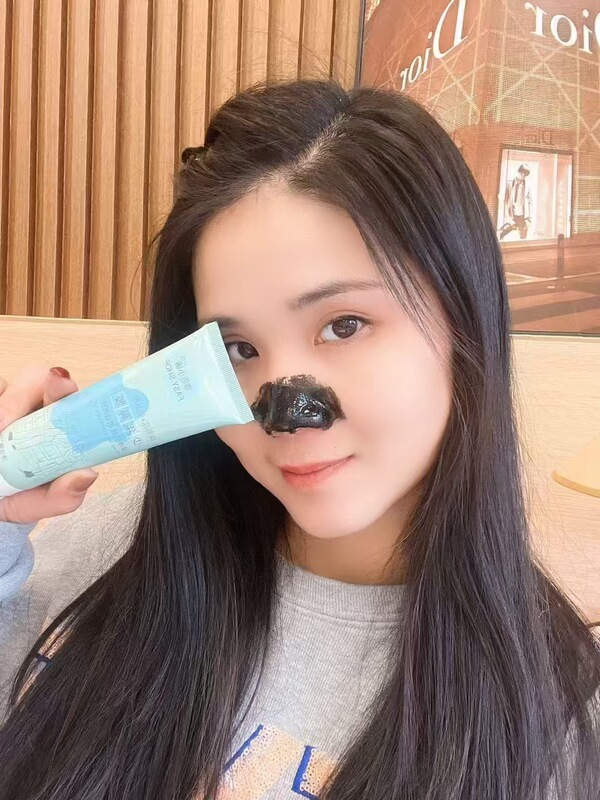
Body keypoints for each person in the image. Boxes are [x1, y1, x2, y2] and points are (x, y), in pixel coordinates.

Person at [0, 79, 598, 799]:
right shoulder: (78, 550)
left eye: (344, 325)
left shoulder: (564, 723)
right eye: (238, 350)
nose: (285, 414)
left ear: (465, 325)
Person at [499, 162, 533, 241]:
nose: (523, 176)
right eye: (522, 174)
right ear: (519, 172)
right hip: (512, 213)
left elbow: (531, 201)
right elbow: (505, 200)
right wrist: (506, 215)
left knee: (523, 234)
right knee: (509, 229)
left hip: (523, 214)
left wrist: (530, 216)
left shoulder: (527, 185)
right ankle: (500, 238)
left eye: (525, 175)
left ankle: (522, 243)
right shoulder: (510, 183)